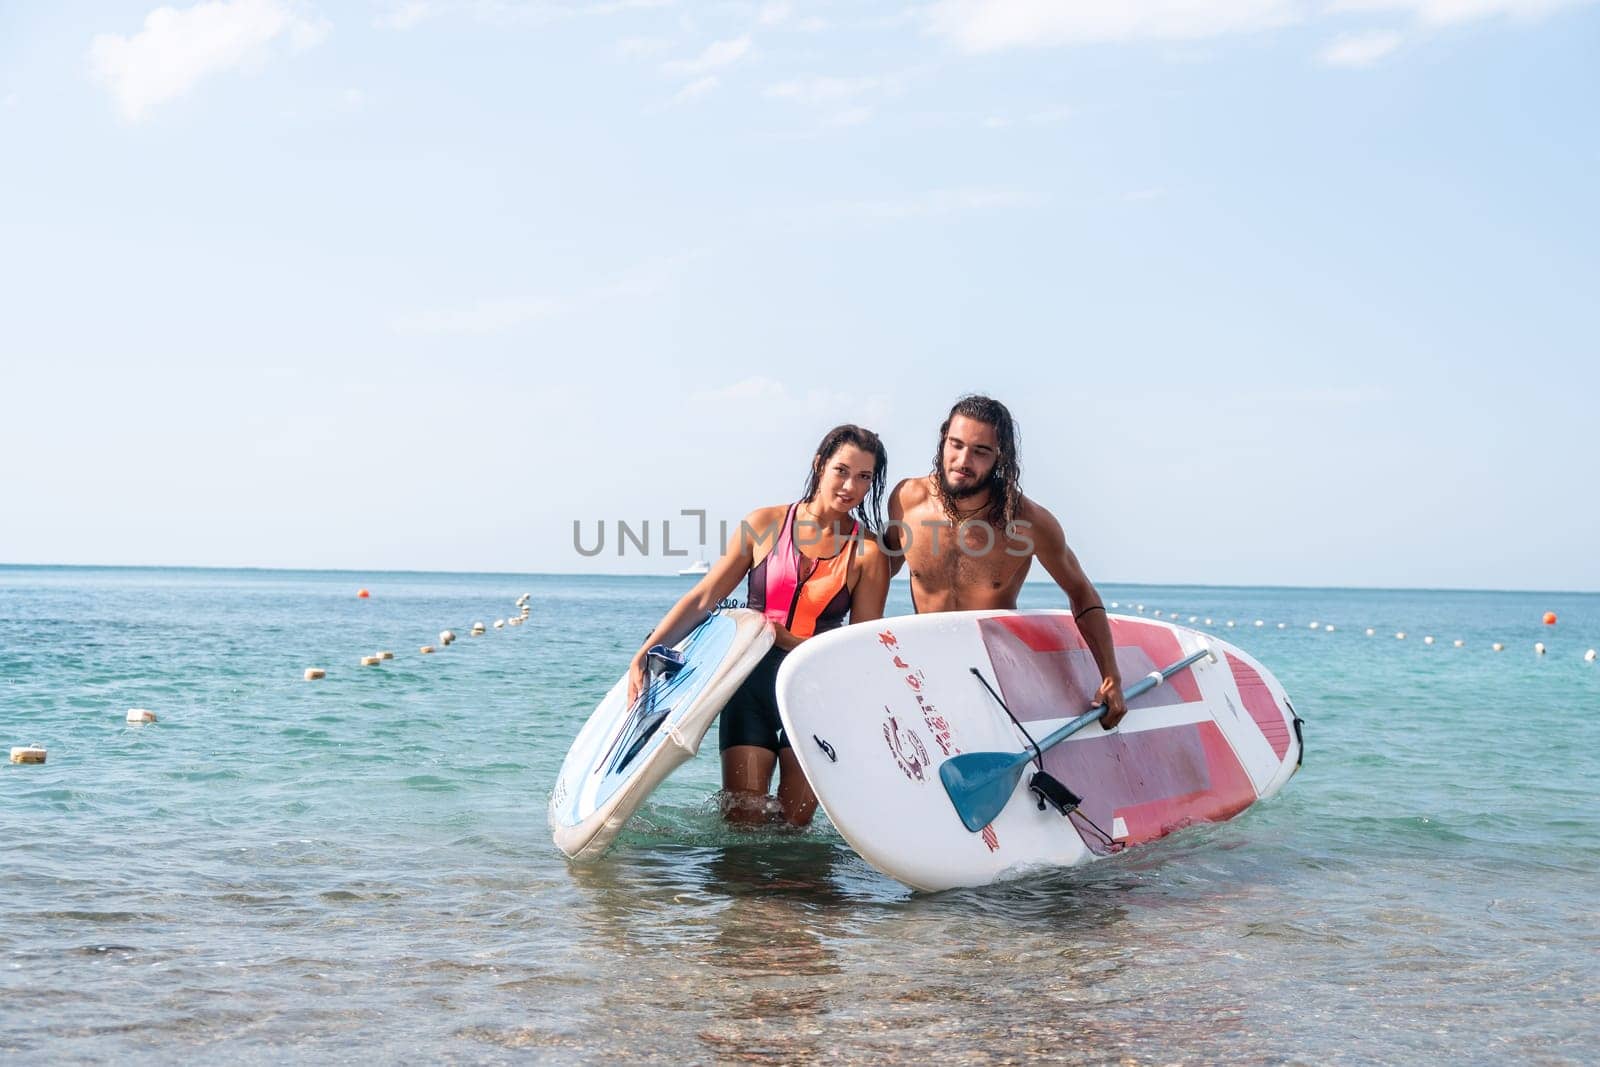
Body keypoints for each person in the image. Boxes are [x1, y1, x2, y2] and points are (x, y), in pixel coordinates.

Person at [627, 425, 891, 825]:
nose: (850, 485)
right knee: (743, 825)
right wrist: (644, 656)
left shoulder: (868, 553)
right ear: (819, 465)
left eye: (864, 477)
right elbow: (704, 597)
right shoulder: (765, 524)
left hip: (817, 695)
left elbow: (860, 650)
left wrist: (788, 640)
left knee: (793, 830)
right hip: (749, 684)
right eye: (841, 470)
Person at [884, 395, 1129, 727]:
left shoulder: (1029, 523)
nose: (963, 460)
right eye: (955, 445)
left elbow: (1081, 592)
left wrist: (1110, 675)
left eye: (980, 451)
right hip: (925, 669)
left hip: (992, 678)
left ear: (1001, 457)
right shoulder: (905, 500)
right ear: (944, 439)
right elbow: (882, 567)